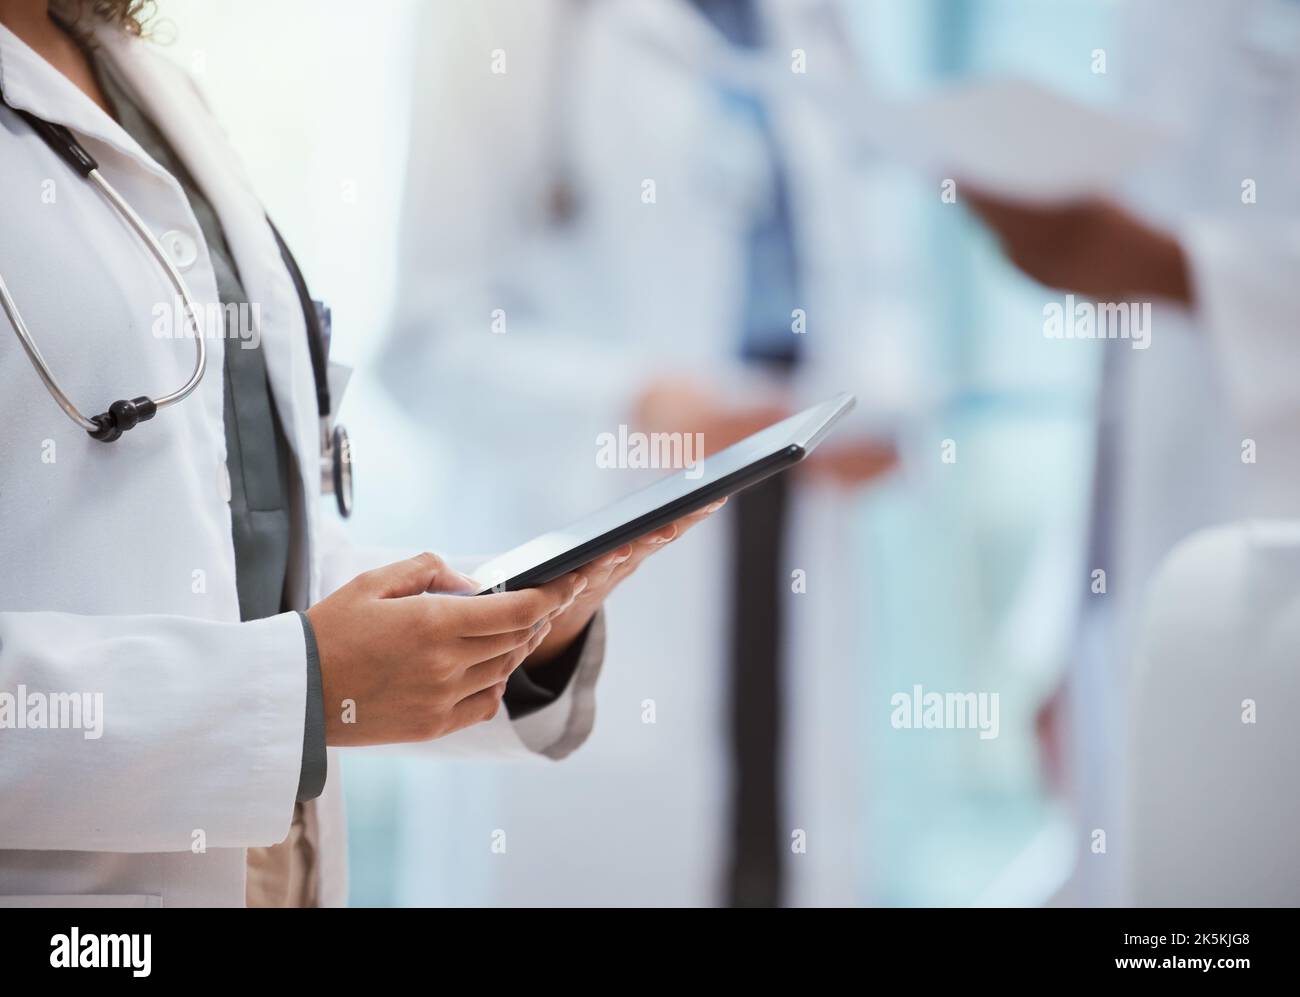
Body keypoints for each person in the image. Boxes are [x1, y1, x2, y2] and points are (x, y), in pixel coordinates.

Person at [0, 0, 721, 908]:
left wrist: (512, 615)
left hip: (274, 864)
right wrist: (301, 686)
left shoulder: (144, 86)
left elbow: (241, 545)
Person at [380, 0, 915, 905]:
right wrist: (636, 401)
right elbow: (426, 345)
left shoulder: (808, 23)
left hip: (789, 531)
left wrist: (882, 397)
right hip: (608, 540)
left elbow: (878, 269)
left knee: (777, 853)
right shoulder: (501, 23)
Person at [965, 0, 1300, 904]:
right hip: (1150, 571)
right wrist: (1062, 632)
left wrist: (1170, 266)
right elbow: (1130, 387)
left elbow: (1170, 265)